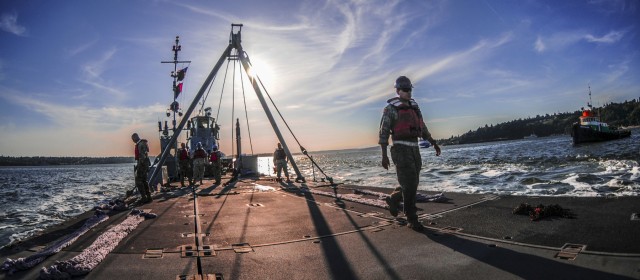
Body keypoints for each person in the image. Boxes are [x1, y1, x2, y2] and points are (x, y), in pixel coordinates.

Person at [379, 76, 441, 231]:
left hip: (414, 148)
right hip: (400, 150)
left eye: (410, 89)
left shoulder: (414, 107)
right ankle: (412, 218)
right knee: (411, 183)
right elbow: (383, 132)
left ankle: (394, 199)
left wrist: (433, 142)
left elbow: (422, 126)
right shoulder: (390, 109)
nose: (408, 92)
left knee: (412, 183)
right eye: (405, 90)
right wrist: (384, 155)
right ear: (398, 91)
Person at [131, 133, 152, 203]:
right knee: (144, 180)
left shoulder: (140, 144)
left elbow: (142, 156)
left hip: (142, 164)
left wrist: (139, 165)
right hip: (144, 164)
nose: (133, 140)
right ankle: (148, 196)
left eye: (133, 139)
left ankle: (144, 197)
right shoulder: (142, 143)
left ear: (135, 137)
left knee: (138, 180)